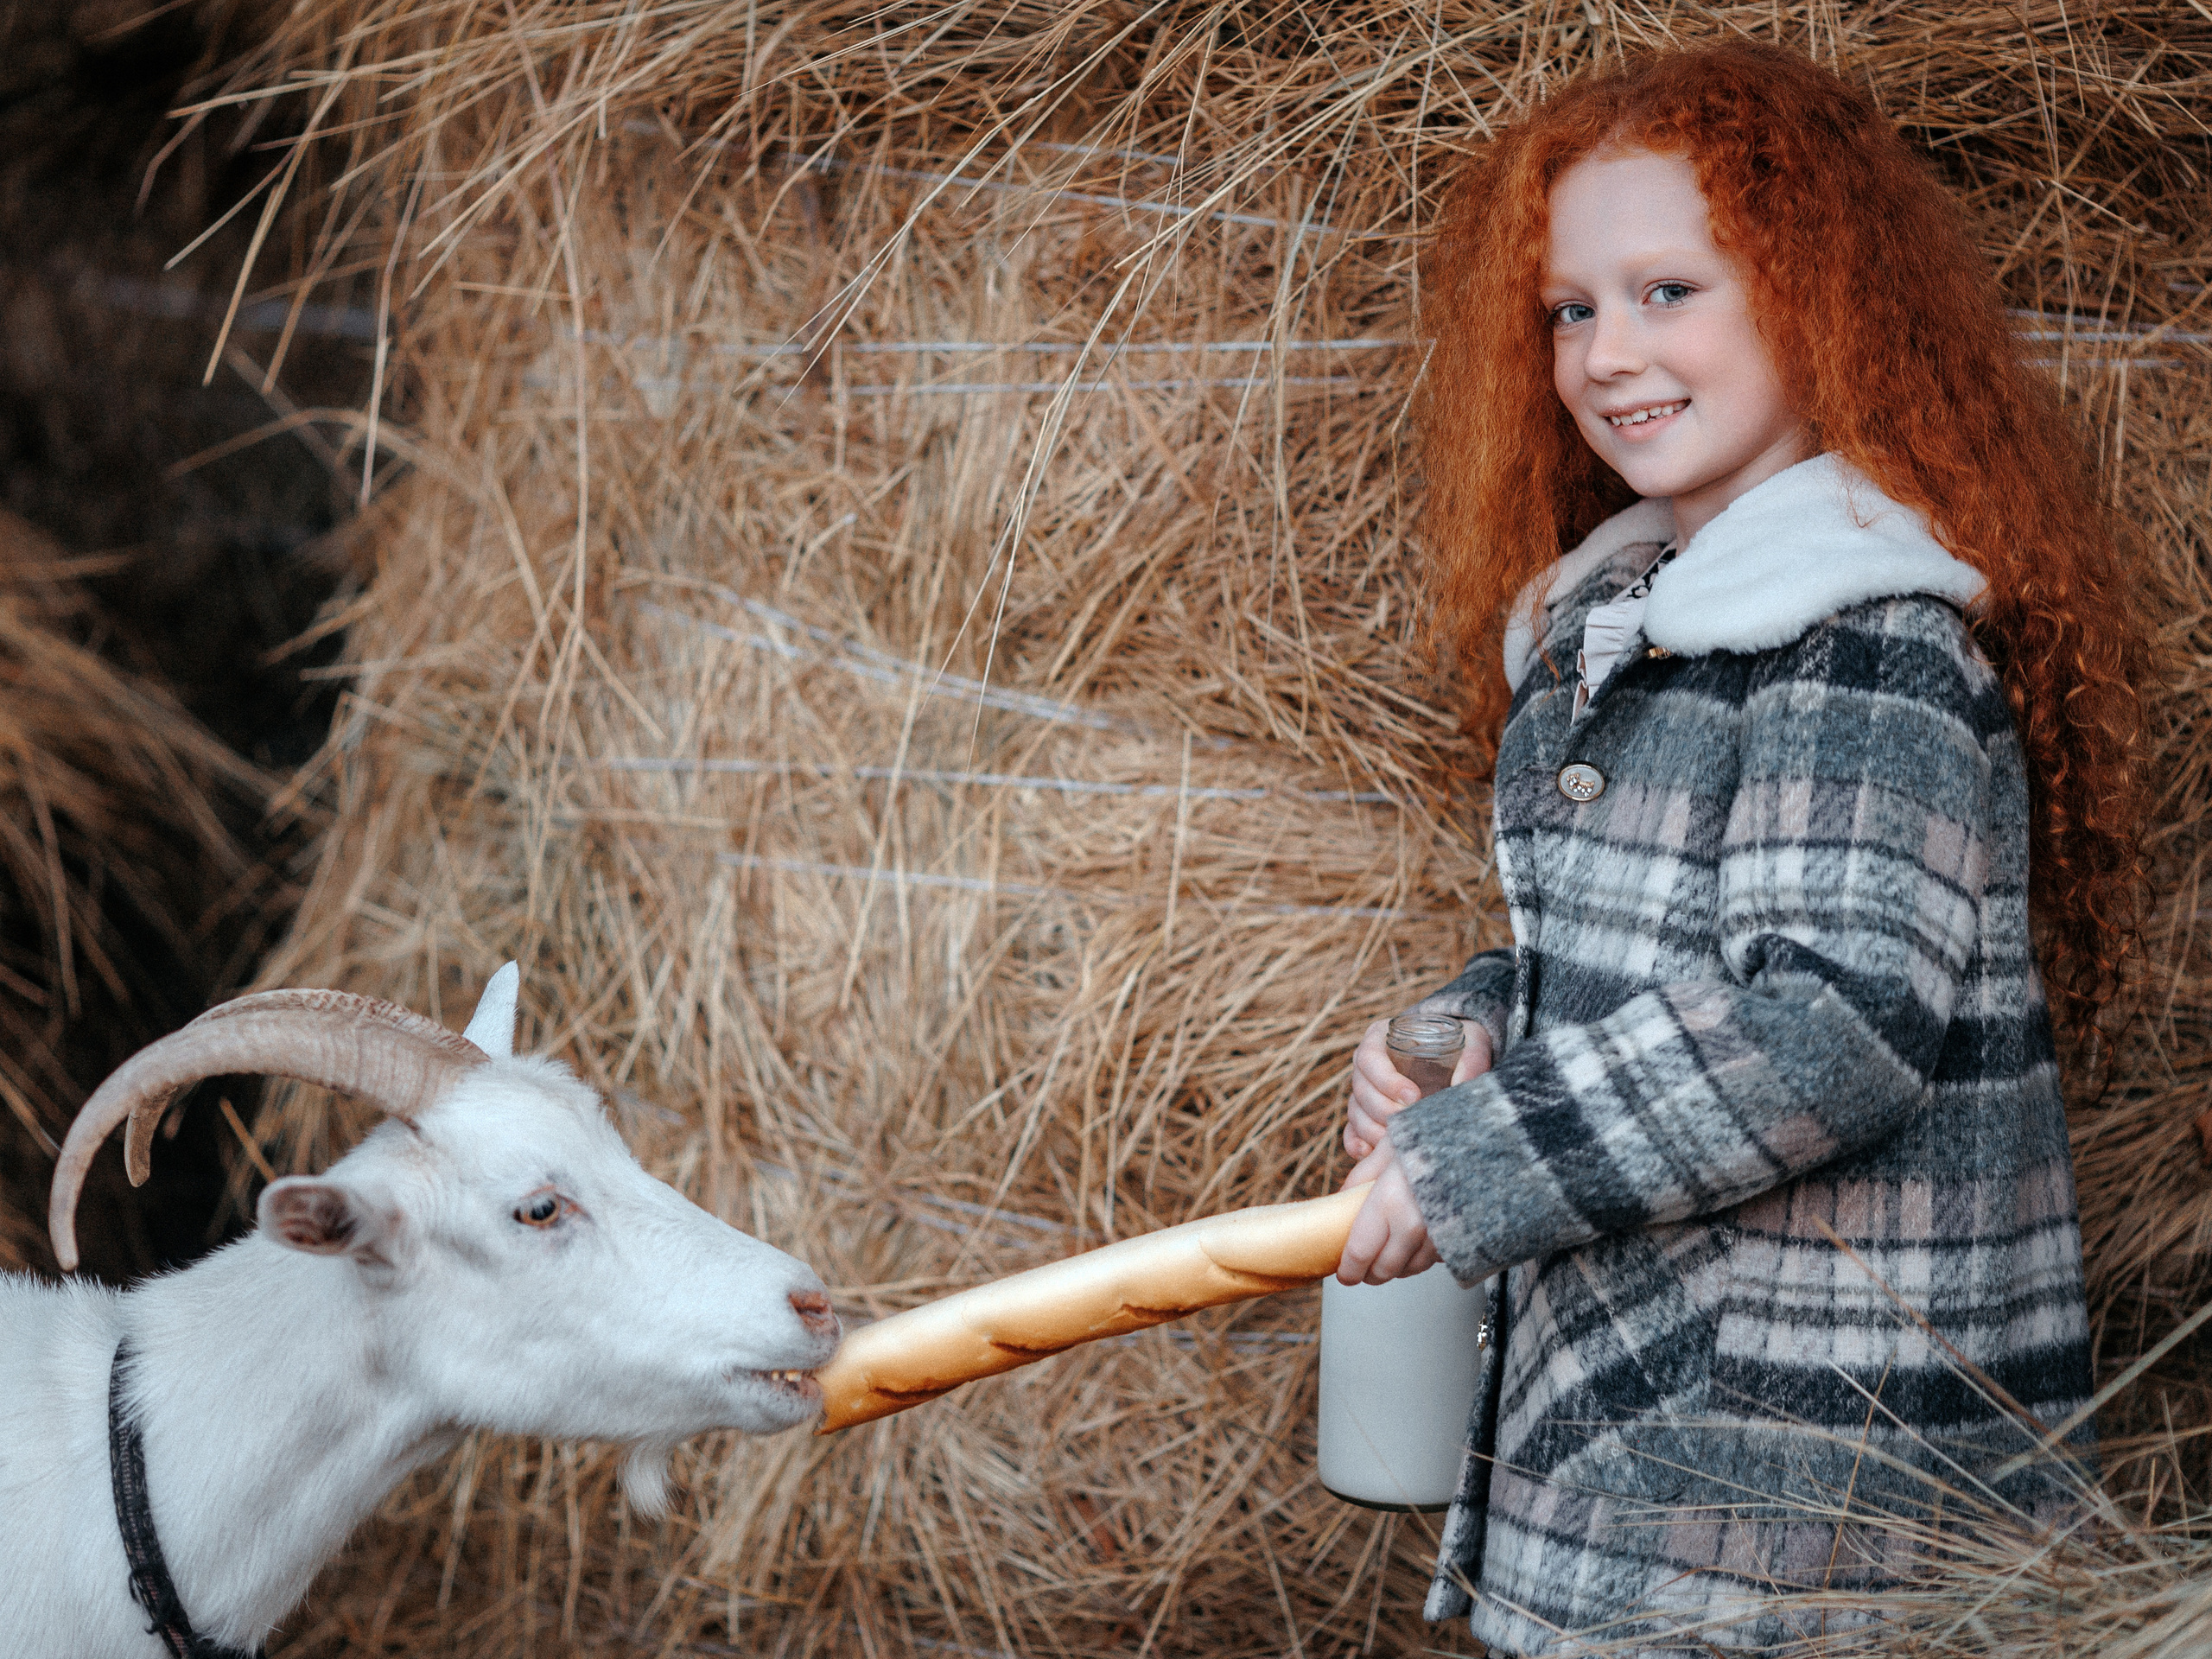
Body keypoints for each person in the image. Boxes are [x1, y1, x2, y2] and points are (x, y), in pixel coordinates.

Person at [1333, 40, 2142, 1656]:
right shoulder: (1617, 625)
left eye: (1666, 292)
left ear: (1815, 298)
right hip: (1650, 1424)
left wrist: (1479, 1159)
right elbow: (1645, 952)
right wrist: (1486, 1020)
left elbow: (1829, 1021)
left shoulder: (1860, 643)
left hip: (1803, 1492)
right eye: (1571, 309)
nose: (1605, 353)